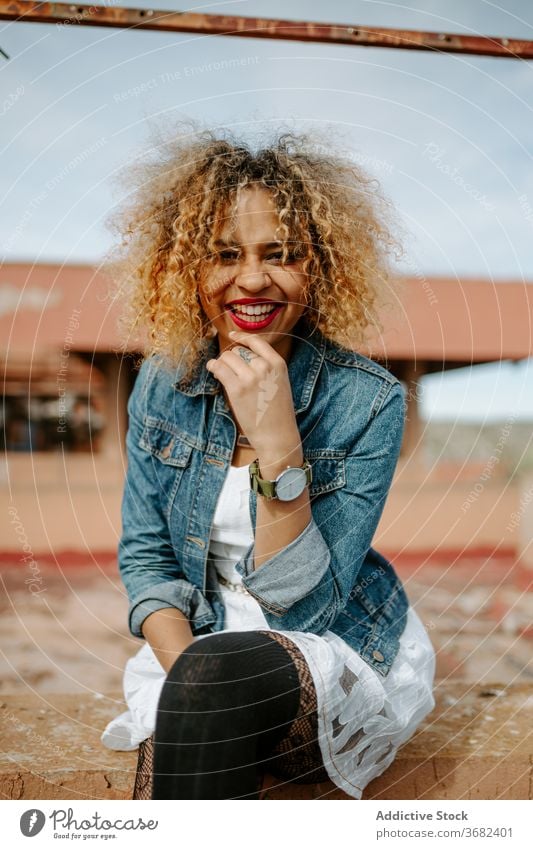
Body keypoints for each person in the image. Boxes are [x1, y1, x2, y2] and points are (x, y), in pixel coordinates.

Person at [101, 122, 436, 800]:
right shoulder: (162, 384)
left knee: (216, 687)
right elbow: (145, 561)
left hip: (327, 648)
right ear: (186, 269)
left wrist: (278, 437)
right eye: (224, 253)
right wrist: (188, 666)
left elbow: (304, 610)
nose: (250, 278)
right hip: (197, 648)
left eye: (278, 253)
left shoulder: (365, 400)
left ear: (319, 265)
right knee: (208, 686)